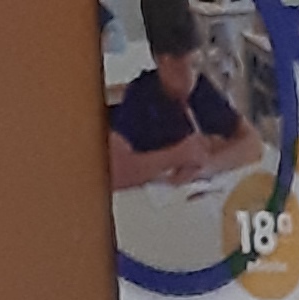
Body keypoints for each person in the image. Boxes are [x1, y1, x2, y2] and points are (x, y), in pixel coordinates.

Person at [105, 0, 262, 192]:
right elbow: (114, 172)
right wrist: (176, 155)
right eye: (178, 69)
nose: (189, 79)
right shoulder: (141, 97)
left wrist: (208, 166)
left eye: (195, 65)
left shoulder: (201, 90)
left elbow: (253, 143)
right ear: (160, 62)